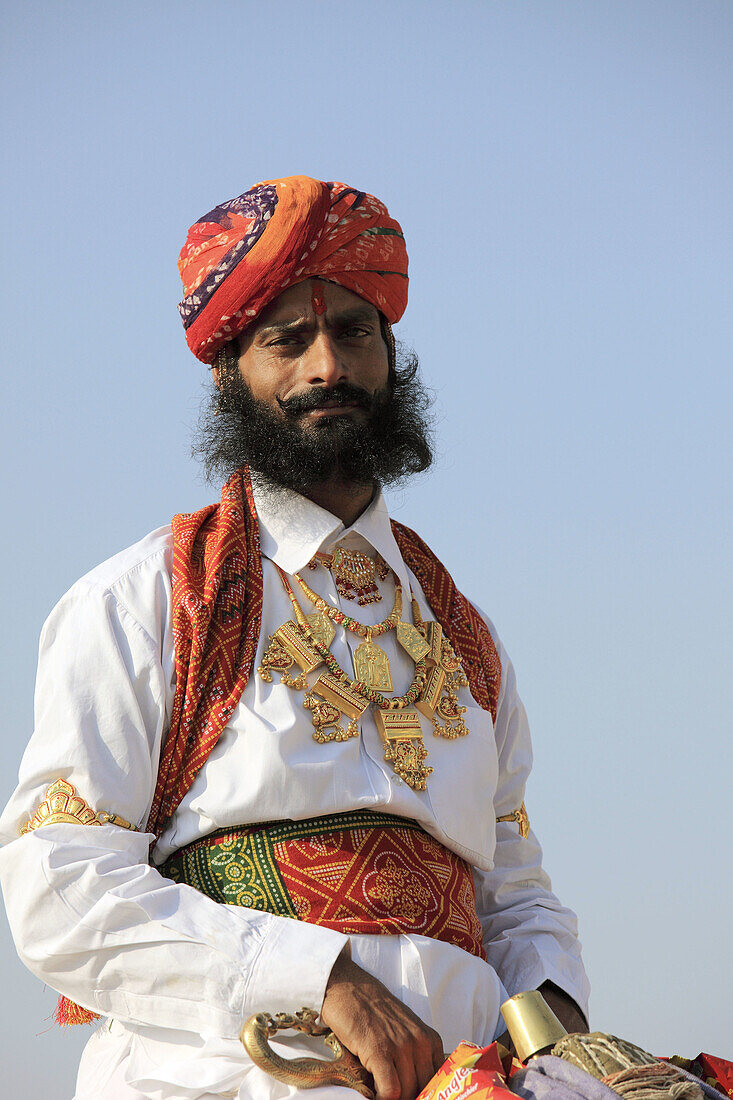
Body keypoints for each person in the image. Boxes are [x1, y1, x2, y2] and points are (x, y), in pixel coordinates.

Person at [0, 175, 590, 1100]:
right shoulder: (144, 599)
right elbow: (60, 886)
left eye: (354, 331)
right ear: (229, 369)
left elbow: (512, 895)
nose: (328, 367)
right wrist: (320, 980)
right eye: (288, 340)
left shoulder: (462, 634)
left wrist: (554, 1038)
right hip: (231, 1076)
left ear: (390, 352)